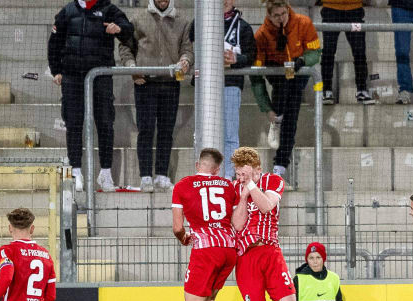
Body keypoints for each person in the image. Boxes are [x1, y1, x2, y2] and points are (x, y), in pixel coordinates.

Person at [230, 147, 308, 301]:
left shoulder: (272, 181)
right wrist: (242, 196)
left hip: (271, 253)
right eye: (238, 172)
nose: (240, 176)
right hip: (246, 258)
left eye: (244, 172)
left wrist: (251, 185)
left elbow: (266, 206)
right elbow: (238, 224)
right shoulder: (235, 189)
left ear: (256, 169)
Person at [170, 148, 240, 301]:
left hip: (205, 250)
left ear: (198, 164)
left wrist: (184, 239)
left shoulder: (183, 185)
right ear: (218, 169)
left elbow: (178, 227)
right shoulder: (229, 186)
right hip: (229, 249)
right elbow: (237, 219)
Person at [48, 0, 134, 192]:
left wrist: (118, 28)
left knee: (105, 123)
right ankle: (76, 172)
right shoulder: (67, 11)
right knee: (73, 124)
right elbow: (54, 43)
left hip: (100, 77)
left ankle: (105, 173)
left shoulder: (109, 9)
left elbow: (129, 30)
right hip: (72, 78)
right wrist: (56, 71)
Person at [120, 0, 193, 192]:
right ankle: (145, 176)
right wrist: (132, 68)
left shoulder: (183, 22)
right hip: (146, 83)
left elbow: (187, 49)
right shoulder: (137, 19)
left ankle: (162, 175)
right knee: (145, 130)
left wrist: (185, 60)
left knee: (166, 131)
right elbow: (125, 47)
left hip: (170, 83)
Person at [250, 0, 321, 178]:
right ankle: (276, 118)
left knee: (292, 118)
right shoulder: (261, 35)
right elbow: (256, 76)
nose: (281, 18)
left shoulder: (303, 23)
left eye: (284, 13)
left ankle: (280, 165)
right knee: (283, 87)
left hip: (298, 72)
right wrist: (267, 108)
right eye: (276, 15)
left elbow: (315, 53)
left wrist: (303, 61)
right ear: (269, 15)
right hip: (277, 73)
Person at [189, 0, 257, 179]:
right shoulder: (200, 22)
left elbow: (251, 56)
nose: (224, 1)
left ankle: (227, 177)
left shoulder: (243, 27)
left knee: (229, 134)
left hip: (231, 85)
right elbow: (191, 47)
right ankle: (204, 174)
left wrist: (236, 59)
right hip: (204, 86)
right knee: (202, 132)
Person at [319, 0, 374, 105]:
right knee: (328, 51)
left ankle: (362, 90)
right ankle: (327, 91)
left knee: (359, 51)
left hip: (355, 10)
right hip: (330, 8)